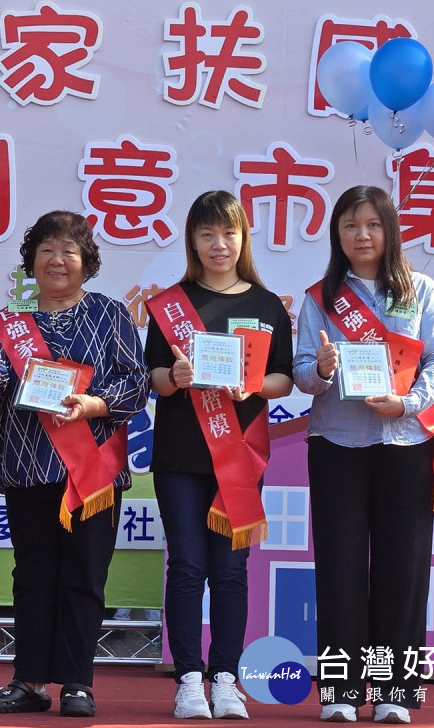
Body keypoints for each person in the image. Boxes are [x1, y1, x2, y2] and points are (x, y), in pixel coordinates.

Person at [0, 210, 148, 718]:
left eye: (68, 250)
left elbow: (135, 382)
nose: (56, 259)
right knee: (32, 576)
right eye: (46, 249)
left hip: (93, 471)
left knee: (84, 577)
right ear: (31, 261)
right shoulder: (7, 323)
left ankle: (77, 683)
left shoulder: (110, 314)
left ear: (86, 260)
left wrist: (93, 405)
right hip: (28, 467)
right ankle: (28, 681)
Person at [293, 185, 434, 725]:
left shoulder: (421, 289)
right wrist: (321, 370)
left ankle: (395, 691)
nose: (361, 235)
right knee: (339, 568)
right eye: (349, 225)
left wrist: (409, 403)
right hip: (337, 443)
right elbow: (300, 373)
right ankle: (339, 690)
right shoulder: (321, 298)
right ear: (336, 234)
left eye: (372, 224)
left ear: (390, 230)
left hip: (406, 442)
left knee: (402, 569)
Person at [145, 190, 293, 720]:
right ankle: (189, 679)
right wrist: (175, 376)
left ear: (243, 237)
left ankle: (226, 678)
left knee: (231, 570)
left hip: (239, 456)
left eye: (228, 232)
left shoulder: (267, 305)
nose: (218, 244)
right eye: (206, 233)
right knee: (186, 566)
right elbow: (153, 377)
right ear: (192, 240)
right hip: (180, 456)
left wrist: (251, 387)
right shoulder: (170, 303)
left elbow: (283, 379)